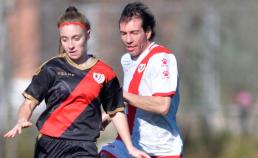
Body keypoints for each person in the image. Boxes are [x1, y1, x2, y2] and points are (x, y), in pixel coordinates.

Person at [4, 6, 150, 158]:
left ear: (88, 34)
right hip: (49, 146)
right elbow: (29, 103)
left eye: (76, 38)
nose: (70, 45)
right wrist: (22, 119)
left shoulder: (105, 72)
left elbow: (116, 112)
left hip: (84, 147)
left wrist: (130, 147)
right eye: (64, 39)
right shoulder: (51, 68)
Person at [100, 2, 183, 158]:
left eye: (134, 33)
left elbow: (162, 105)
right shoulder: (127, 60)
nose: (128, 39)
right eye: (123, 33)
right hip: (130, 142)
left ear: (148, 32)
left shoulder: (161, 58)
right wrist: (108, 115)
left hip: (161, 149)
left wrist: (120, 94)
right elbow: (132, 97)